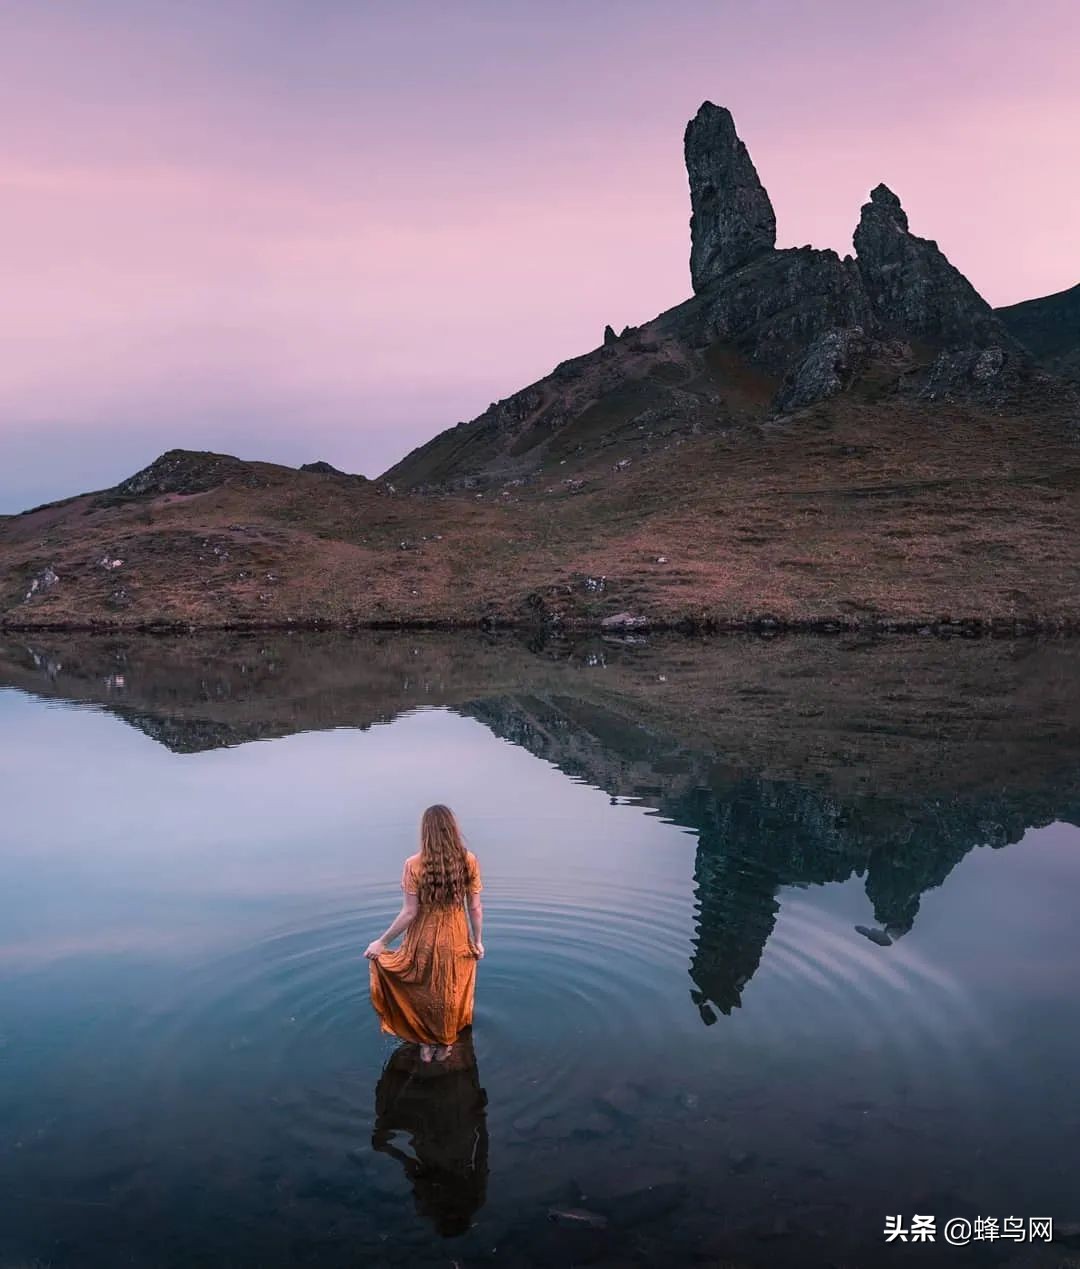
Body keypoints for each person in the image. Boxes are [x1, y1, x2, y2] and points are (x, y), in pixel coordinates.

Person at [365, 804, 484, 1063]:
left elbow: (409, 912)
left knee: (421, 988)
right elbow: (474, 907)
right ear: (453, 829)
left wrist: (381, 942)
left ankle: (425, 1044)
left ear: (425, 832)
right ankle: (445, 1044)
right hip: (456, 939)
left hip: (424, 939)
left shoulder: (413, 865)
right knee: (448, 991)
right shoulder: (469, 861)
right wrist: (477, 941)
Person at [371, 1030, 488, 1237]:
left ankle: (433, 1044)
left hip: (440, 1138)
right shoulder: (469, 1195)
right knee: (442, 1088)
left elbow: (413, 1169)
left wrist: (388, 1147)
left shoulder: (440, 1197)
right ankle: (437, 1044)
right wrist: (480, 1117)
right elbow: (481, 1155)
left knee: (437, 1089)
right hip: (451, 1136)